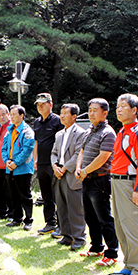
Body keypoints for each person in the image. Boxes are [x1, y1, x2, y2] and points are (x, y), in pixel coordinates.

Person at [110, 93, 138, 275]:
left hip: (130, 183)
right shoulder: (122, 131)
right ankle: (129, 264)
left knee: (133, 226)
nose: (119, 109)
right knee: (120, 224)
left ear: (134, 110)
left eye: (123, 106)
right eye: (117, 106)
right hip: (117, 181)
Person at [75, 98, 119, 265]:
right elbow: (81, 151)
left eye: (95, 110)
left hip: (100, 180)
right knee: (90, 216)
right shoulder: (90, 131)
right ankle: (96, 247)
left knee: (104, 217)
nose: (91, 113)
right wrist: (79, 168)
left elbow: (103, 157)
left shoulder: (108, 132)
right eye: (90, 110)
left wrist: (85, 171)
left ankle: (112, 252)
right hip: (86, 179)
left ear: (105, 113)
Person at [50, 104, 86, 250]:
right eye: (61, 113)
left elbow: (79, 154)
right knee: (62, 207)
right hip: (59, 175)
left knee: (75, 207)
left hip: (71, 174)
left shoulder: (81, 133)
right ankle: (66, 235)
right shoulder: (59, 134)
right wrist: (54, 167)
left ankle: (79, 238)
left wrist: (64, 168)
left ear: (74, 116)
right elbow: (53, 153)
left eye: (66, 113)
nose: (62, 116)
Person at [33, 93, 64, 237]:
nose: (40, 107)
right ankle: (50, 223)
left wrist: (57, 162)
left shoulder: (58, 121)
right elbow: (37, 141)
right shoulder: (37, 122)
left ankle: (61, 225)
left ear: (50, 105)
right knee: (45, 195)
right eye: (38, 104)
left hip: (54, 164)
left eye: (43, 104)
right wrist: (35, 159)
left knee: (58, 195)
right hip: (41, 163)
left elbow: (62, 143)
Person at [1, 105, 36, 231]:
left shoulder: (27, 131)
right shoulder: (9, 130)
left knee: (25, 195)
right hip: (10, 168)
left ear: (22, 115)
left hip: (23, 168)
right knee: (13, 194)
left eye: (14, 114)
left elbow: (27, 149)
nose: (11, 117)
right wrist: (7, 161)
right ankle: (17, 218)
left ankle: (29, 220)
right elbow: (4, 148)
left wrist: (16, 162)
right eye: (11, 114)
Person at [0, 104, 13, 219]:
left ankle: (11, 213)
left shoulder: (11, 128)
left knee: (9, 191)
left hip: (7, 165)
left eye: (3, 114)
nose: (1, 117)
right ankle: (1, 213)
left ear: (8, 114)